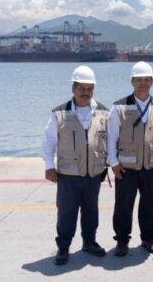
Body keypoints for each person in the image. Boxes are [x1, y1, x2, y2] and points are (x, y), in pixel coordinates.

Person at [41, 65, 109, 265]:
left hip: (93, 173)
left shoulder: (104, 112)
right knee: (66, 212)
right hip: (68, 174)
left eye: (89, 88)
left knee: (91, 211)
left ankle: (89, 242)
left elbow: (110, 140)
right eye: (81, 88)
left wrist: (108, 163)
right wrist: (49, 166)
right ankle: (63, 247)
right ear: (73, 88)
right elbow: (48, 141)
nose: (85, 92)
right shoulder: (59, 113)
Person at [108, 61, 153, 256]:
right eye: (138, 80)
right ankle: (122, 240)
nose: (143, 83)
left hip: (152, 166)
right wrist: (113, 162)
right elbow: (111, 136)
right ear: (132, 81)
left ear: (152, 81)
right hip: (126, 166)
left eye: (146, 79)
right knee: (123, 204)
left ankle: (149, 238)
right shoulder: (119, 107)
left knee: (151, 203)